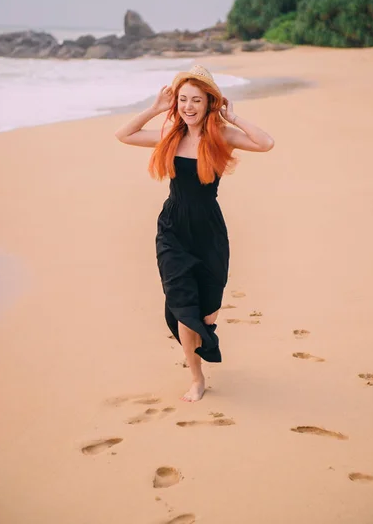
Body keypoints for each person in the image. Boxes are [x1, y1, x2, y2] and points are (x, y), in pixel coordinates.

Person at [115, 65, 274, 402]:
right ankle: (196, 378)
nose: (188, 106)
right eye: (183, 99)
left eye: (196, 100)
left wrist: (234, 118)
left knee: (206, 313)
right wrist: (156, 108)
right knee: (183, 307)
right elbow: (124, 134)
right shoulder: (170, 134)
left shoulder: (221, 136)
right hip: (172, 230)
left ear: (208, 103)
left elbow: (266, 143)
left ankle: (204, 335)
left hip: (209, 234)